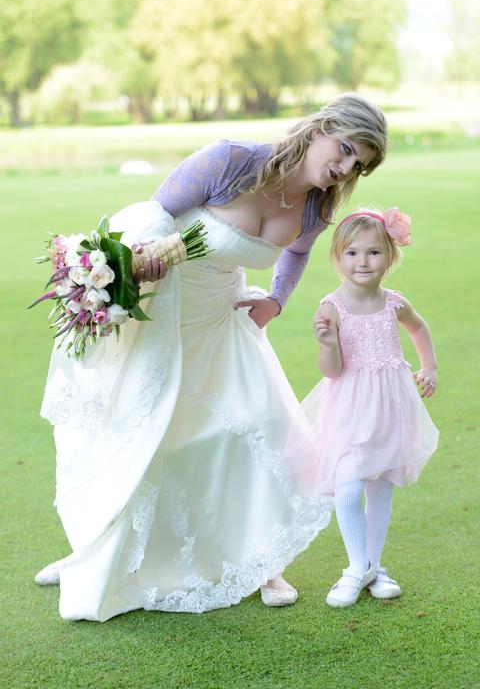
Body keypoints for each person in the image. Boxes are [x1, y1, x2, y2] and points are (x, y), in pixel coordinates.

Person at [35, 94, 387, 621]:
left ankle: (263, 565)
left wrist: (276, 300)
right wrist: (144, 260)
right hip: (165, 313)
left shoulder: (317, 208)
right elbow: (154, 214)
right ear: (321, 128)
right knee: (143, 436)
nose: (344, 168)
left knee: (263, 427)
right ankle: (92, 553)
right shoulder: (230, 160)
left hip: (224, 317)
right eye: (345, 149)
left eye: (357, 164)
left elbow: (296, 252)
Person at [303, 208, 439, 608]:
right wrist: (328, 344)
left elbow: (419, 327)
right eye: (352, 253)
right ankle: (356, 567)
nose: (362, 262)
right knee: (347, 488)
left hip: (390, 406)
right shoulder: (332, 307)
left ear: (390, 257)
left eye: (373, 252)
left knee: (380, 486)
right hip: (350, 409)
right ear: (337, 257)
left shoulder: (394, 303)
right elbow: (332, 371)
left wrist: (429, 366)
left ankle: (374, 567)